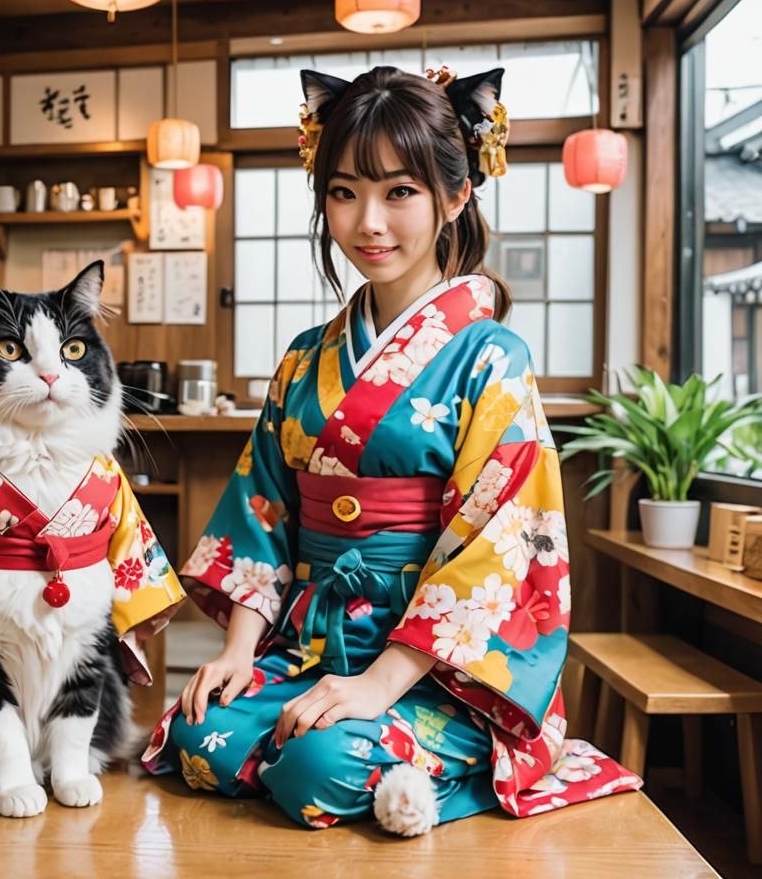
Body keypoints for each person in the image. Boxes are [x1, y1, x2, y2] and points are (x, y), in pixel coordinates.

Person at [142, 65, 642, 835]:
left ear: (455, 196)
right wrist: (241, 647)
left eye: (399, 192)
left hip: (433, 666)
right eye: (344, 193)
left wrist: (382, 682)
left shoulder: (491, 357)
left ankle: (463, 767)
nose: (367, 221)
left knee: (315, 766)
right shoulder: (309, 358)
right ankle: (370, 752)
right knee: (196, 732)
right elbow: (263, 505)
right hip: (313, 639)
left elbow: (499, 548)